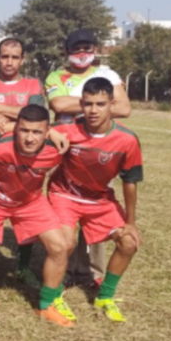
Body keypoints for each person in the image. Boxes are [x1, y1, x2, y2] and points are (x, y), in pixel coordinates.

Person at [0, 105, 74, 328]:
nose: (30, 138)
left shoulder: (57, 148)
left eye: (37, 132)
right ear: (16, 130)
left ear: (47, 131)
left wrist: (53, 132)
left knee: (60, 246)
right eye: (24, 131)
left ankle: (45, 305)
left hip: (30, 202)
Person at [49, 77, 143, 322]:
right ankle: (54, 295)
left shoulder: (127, 140)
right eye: (88, 104)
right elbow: (32, 130)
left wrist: (131, 222)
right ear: (81, 104)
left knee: (129, 242)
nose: (93, 110)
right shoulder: (68, 129)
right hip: (64, 195)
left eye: (100, 104)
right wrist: (49, 130)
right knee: (65, 243)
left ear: (112, 104)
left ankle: (105, 296)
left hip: (100, 200)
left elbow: (130, 182)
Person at [45, 29, 132, 288]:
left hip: (100, 151)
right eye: (77, 49)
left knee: (97, 208)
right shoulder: (56, 76)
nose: (82, 53)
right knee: (68, 209)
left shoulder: (108, 74)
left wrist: (79, 103)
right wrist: (102, 102)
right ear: (66, 52)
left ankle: (92, 272)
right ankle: (68, 270)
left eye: (87, 47)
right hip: (67, 149)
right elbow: (58, 105)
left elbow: (124, 108)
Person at [0, 38, 47, 288]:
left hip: (27, 160)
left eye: (15, 57)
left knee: (25, 207)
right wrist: (21, 114)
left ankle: (24, 267)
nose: (9, 61)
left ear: (22, 59)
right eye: (5, 56)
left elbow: (37, 120)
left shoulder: (33, 84)